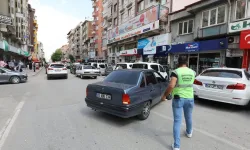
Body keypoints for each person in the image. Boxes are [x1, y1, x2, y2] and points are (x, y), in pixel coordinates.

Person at [161, 56, 196, 150]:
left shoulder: (176, 72)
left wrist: (164, 95)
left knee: (177, 121)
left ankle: (176, 146)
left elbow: (172, 85)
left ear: (178, 62)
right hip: (190, 98)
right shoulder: (193, 72)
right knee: (188, 117)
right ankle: (189, 133)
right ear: (187, 62)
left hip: (178, 98)